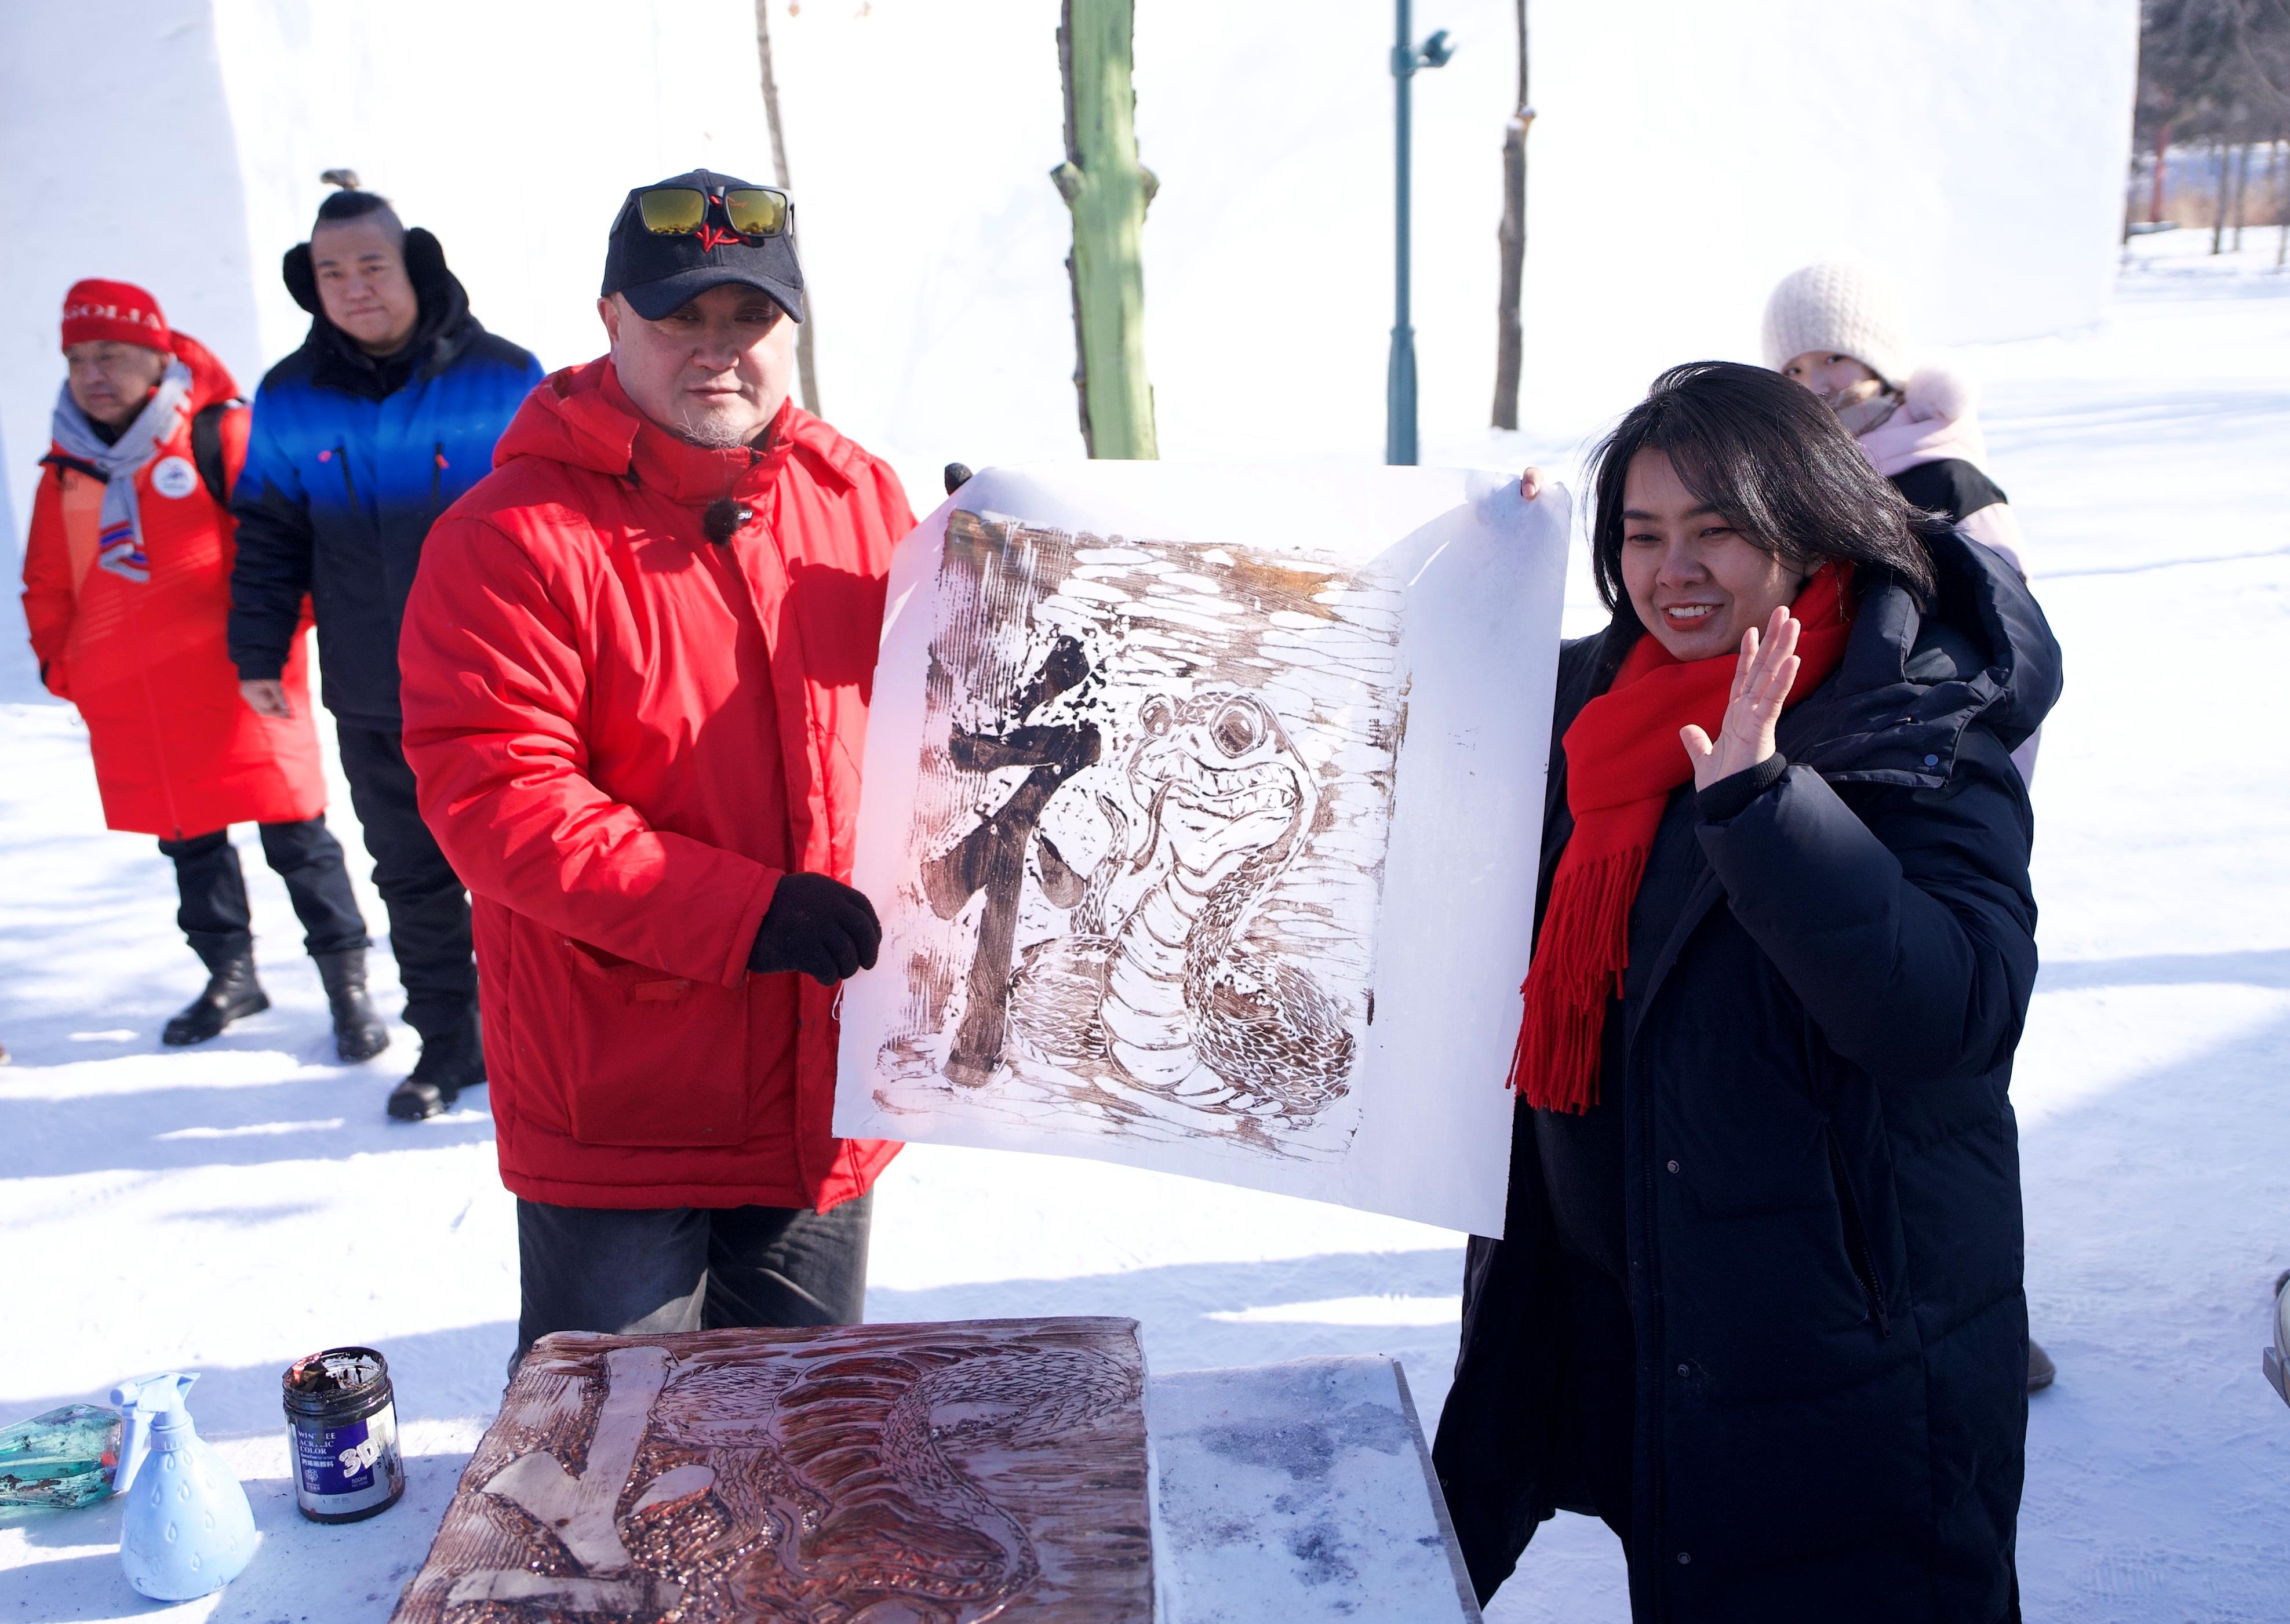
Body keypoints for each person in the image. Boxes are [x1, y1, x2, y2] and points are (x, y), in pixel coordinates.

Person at [1434, 362, 2059, 1622]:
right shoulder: (1598, 711)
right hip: (1648, 1322)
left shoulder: (1911, 720)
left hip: (1847, 1356)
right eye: (1642, 535)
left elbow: (1952, 1013)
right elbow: (1374, 707)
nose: (1676, 572)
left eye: (1718, 530)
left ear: (1809, 521)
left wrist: (1761, 804)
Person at [396, 170, 915, 1367]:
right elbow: (501, 802)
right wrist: (746, 912)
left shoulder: (857, 496)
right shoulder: (509, 537)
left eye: (748, 319)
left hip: (819, 1085)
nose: (716, 350)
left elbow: (933, 718)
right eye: (679, 318)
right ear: (610, 320)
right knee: (609, 1456)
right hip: (622, 1100)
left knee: (800, 1435)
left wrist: (1006, 583)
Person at [1765, 256, 2054, 1388]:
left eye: (1833, 358)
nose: (1815, 381)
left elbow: (2010, 661)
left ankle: (1983, 1325)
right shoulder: (1794, 483)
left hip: (1936, 818)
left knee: (1943, 1094)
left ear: (1879, 370)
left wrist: (1969, 796)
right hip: (1831, 806)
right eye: (1791, 364)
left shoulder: (1941, 487)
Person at [228, 180, 544, 1121]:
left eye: (371, 264)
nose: (353, 286)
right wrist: (257, 651)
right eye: (331, 272)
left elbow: (565, 525)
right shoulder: (290, 397)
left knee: (529, 874)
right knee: (412, 877)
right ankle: (449, 1047)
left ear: (413, 265)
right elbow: (268, 531)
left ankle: (543, 1044)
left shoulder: (505, 375)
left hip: (507, 687)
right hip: (373, 693)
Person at [21, 279, 380, 1057]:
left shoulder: (222, 436)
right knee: (189, 844)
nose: (93, 373)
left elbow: (292, 542)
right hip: (137, 702)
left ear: (157, 357)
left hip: (243, 681)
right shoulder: (68, 465)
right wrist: (67, 667)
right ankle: (231, 975)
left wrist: (283, 637)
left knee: (299, 840)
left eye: (110, 353)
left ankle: (347, 987)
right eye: (78, 357)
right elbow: (48, 581)